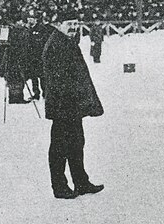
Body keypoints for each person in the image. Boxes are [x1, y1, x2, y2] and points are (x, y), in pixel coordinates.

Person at [42, 11, 104, 199]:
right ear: (58, 23)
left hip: (71, 105)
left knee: (77, 144)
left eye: (76, 23)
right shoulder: (56, 44)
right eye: (69, 23)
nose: (74, 27)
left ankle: (81, 182)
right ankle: (59, 187)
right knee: (60, 147)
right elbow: (58, 81)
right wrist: (71, 101)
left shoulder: (67, 42)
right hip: (63, 106)